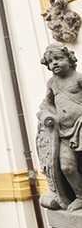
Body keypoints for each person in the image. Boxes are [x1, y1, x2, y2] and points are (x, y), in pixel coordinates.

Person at [39, 42, 82, 211]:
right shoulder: (52, 83)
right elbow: (46, 104)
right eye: (50, 61)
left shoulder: (78, 78)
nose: (54, 63)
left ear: (70, 60)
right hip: (64, 132)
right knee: (67, 167)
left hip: (81, 126)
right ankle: (79, 196)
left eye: (58, 58)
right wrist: (48, 115)